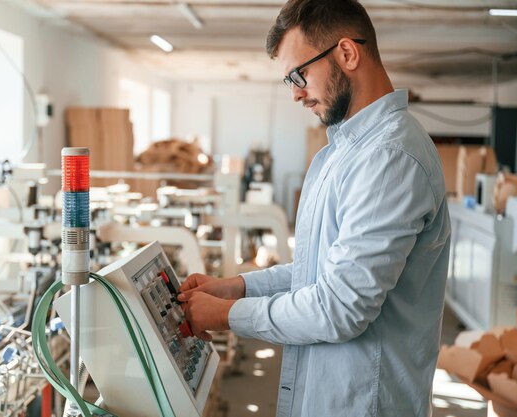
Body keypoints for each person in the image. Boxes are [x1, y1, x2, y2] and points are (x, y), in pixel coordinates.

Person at [178, 0, 451, 415]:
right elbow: (320, 271)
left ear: (346, 53)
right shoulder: (345, 152)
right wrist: (238, 286)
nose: (295, 94)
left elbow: (340, 306)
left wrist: (227, 315)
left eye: (298, 74)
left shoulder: (390, 157)